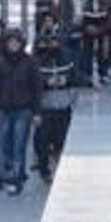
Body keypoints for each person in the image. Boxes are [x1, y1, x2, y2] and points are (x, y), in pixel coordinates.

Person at [0, 29, 42, 195]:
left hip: (24, 110)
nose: (13, 45)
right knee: (6, 145)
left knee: (19, 146)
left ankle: (16, 179)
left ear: (21, 44)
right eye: (10, 42)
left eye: (16, 42)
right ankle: (11, 172)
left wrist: (36, 112)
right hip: (4, 110)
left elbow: (36, 88)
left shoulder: (30, 62)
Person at [33, 26, 76, 181]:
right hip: (45, 108)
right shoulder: (36, 61)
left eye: (53, 42)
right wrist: (46, 83)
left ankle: (59, 169)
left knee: (61, 140)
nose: (50, 45)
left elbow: (75, 76)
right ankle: (44, 169)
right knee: (43, 141)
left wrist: (66, 81)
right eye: (47, 42)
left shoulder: (66, 58)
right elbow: (31, 84)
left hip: (63, 106)